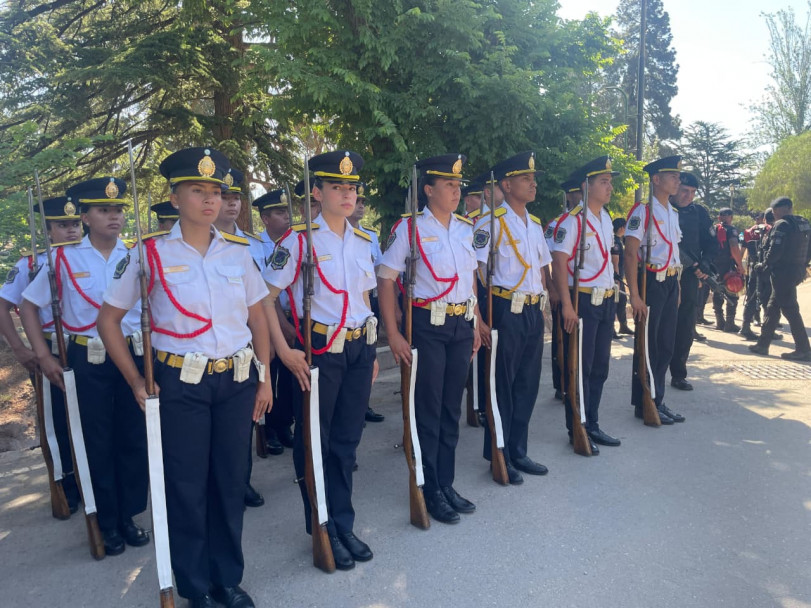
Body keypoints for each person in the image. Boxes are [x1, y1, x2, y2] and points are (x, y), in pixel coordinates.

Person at [98, 147, 272, 608]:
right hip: (180, 386)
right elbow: (109, 321)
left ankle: (227, 580)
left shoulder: (238, 253)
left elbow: (258, 317)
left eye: (216, 191)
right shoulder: (146, 255)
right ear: (175, 198)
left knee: (229, 482)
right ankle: (195, 587)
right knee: (187, 487)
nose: (210, 200)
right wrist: (136, 380)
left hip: (235, 381)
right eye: (198, 190)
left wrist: (265, 375)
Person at [20, 177, 149, 556]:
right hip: (88, 359)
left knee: (132, 437)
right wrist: (43, 356)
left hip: (133, 353)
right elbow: (28, 307)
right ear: (86, 217)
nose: (114, 216)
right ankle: (105, 519)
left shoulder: (136, 254)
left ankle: (129, 515)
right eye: (104, 210)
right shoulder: (62, 257)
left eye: (118, 209)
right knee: (96, 439)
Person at [264, 150, 378, 571]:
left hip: (358, 347)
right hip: (318, 352)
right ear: (317, 191)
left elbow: (363, 297)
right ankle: (320, 524)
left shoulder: (362, 239)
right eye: (337, 187)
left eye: (351, 187)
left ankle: (343, 522)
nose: (347, 194)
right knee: (316, 442)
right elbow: (266, 298)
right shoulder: (298, 241)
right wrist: (283, 348)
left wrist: (369, 347)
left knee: (347, 443)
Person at [378, 153, 481, 523]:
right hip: (427, 326)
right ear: (428, 189)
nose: (456, 191)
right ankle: (427, 486)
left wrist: (474, 324)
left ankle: (446, 482)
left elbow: (469, 279)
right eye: (449, 185)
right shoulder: (409, 229)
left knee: (451, 407)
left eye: (458, 186)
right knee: (428, 409)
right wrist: (392, 333)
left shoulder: (465, 229)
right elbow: (386, 278)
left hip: (459, 325)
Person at [0, 196, 83, 513]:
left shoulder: (92, 258)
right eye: (63, 225)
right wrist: (21, 349)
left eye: (75, 223)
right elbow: (3, 306)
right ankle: (66, 486)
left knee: (90, 419)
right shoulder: (30, 264)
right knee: (57, 422)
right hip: (48, 347)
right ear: (49, 231)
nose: (71, 230)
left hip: (85, 346)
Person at [472, 151, 551, 484]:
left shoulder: (533, 224)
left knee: (527, 384)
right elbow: (475, 272)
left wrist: (544, 308)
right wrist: (480, 318)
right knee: (501, 385)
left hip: (532, 309)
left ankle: (519, 449)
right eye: (525, 179)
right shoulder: (489, 223)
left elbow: (541, 269)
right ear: (506, 185)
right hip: (504, 309)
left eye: (533, 179)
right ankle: (499, 454)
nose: (533, 184)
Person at [551, 156, 621, 452]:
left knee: (600, 367)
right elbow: (559, 261)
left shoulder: (605, 218)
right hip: (581, 299)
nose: (610, 187)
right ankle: (576, 427)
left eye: (610, 182)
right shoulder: (572, 221)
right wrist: (566, 306)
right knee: (580, 366)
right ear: (586, 186)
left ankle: (592, 422)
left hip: (604, 299)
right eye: (603, 182)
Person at [215, 168, 267, 509]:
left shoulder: (251, 245)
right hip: (195, 358)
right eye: (227, 197)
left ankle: (240, 482)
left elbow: (260, 306)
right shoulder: (166, 249)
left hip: (241, 349)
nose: (232, 204)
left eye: (236, 198)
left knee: (239, 430)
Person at [624, 156, 685, 425]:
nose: (678, 180)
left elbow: (675, 252)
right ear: (656, 180)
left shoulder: (672, 212)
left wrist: (678, 286)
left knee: (666, 345)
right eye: (672, 176)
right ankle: (645, 401)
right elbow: (630, 252)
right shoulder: (643, 211)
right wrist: (634, 294)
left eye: (678, 176)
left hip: (670, 281)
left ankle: (658, 398)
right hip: (651, 280)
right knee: (648, 346)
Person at [251, 189, 296, 455]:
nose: (287, 217)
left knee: (290, 379)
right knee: (270, 376)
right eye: (280, 213)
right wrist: (281, 325)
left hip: (295, 317)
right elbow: (264, 291)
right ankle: (269, 430)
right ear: (265, 218)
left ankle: (284, 425)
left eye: (287, 212)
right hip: (267, 320)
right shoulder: (254, 246)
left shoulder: (296, 241)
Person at [668, 172, 717, 391]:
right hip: (664, 273)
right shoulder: (663, 209)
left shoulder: (699, 213)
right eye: (684, 191)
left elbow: (711, 242)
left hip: (689, 277)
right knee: (661, 324)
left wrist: (705, 263)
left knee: (685, 324)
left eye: (693, 193)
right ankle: (653, 372)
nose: (688, 196)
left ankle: (679, 373)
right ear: (675, 188)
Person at [749, 197, 811, 360]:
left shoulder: (782, 224)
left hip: (782, 272)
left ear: (784, 209)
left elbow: (775, 249)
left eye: (776, 212)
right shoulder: (803, 223)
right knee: (772, 307)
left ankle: (804, 349)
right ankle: (763, 344)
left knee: (790, 310)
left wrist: (764, 264)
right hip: (796, 270)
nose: (774, 215)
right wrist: (804, 265)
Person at [349, 183, 385, 424]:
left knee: (366, 359)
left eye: (363, 202)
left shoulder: (369, 236)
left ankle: (364, 403)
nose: (360, 205)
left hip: (366, 302)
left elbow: (378, 269)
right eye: (357, 201)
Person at [546, 175, 581, 399]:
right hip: (564, 287)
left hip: (584, 289)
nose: (581, 197)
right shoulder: (557, 224)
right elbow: (548, 259)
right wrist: (553, 288)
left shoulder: (594, 220)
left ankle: (575, 384)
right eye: (577, 192)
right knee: (562, 339)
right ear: (569, 196)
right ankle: (561, 383)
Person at [710, 208, 744, 332]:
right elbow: (734, 247)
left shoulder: (713, 229)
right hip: (728, 265)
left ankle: (720, 321)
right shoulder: (731, 230)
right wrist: (740, 265)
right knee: (733, 290)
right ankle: (730, 323)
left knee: (717, 291)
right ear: (731, 217)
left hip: (713, 265)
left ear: (719, 217)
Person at [740, 211, 769, 340]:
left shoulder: (748, 232)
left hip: (753, 267)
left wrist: (739, 265)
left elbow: (742, 249)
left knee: (751, 295)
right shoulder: (771, 230)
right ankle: (768, 328)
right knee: (768, 298)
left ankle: (746, 326)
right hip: (767, 268)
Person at [610, 217, 634, 338]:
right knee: (615, 302)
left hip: (619, 276)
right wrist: (617, 278)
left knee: (622, 301)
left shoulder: (619, 240)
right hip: (616, 277)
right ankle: (612, 329)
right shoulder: (615, 242)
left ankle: (623, 326)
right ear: (621, 228)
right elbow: (615, 261)